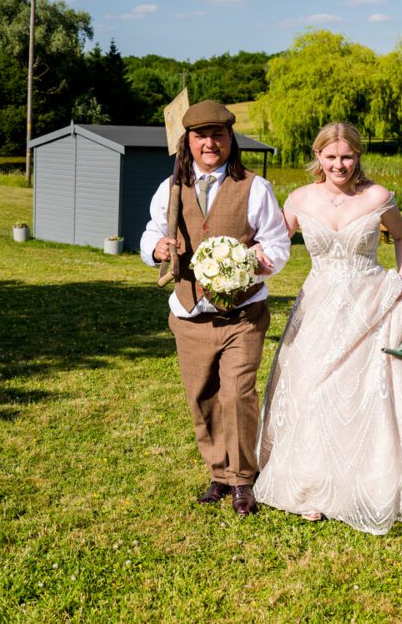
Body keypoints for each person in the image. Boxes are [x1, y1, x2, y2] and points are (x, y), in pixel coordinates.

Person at [253, 122, 402, 535]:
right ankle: (311, 485)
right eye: (330, 157)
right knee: (312, 388)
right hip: (318, 303)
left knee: (369, 393)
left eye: (346, 157)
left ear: (358, 156)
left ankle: (371, 480)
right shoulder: (298, 198)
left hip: (371, 301)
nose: (338, 165)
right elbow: (273, 245)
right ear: (317, 158)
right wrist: (243, 264)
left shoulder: (378, 196)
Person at [140, 100, 290, 516]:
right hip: (189, 316)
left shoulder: (255, 187)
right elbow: (152, 232)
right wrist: (156, 248)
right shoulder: (169, 189)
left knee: (238, 394)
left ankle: (243, 479)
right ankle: (219, 474)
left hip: (243, 315)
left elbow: (278, 243)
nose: (210, 143)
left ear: (230, 140)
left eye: (218, 135)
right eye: (200, 136)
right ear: (187, 142)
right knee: (202, 396)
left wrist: (255, 263)